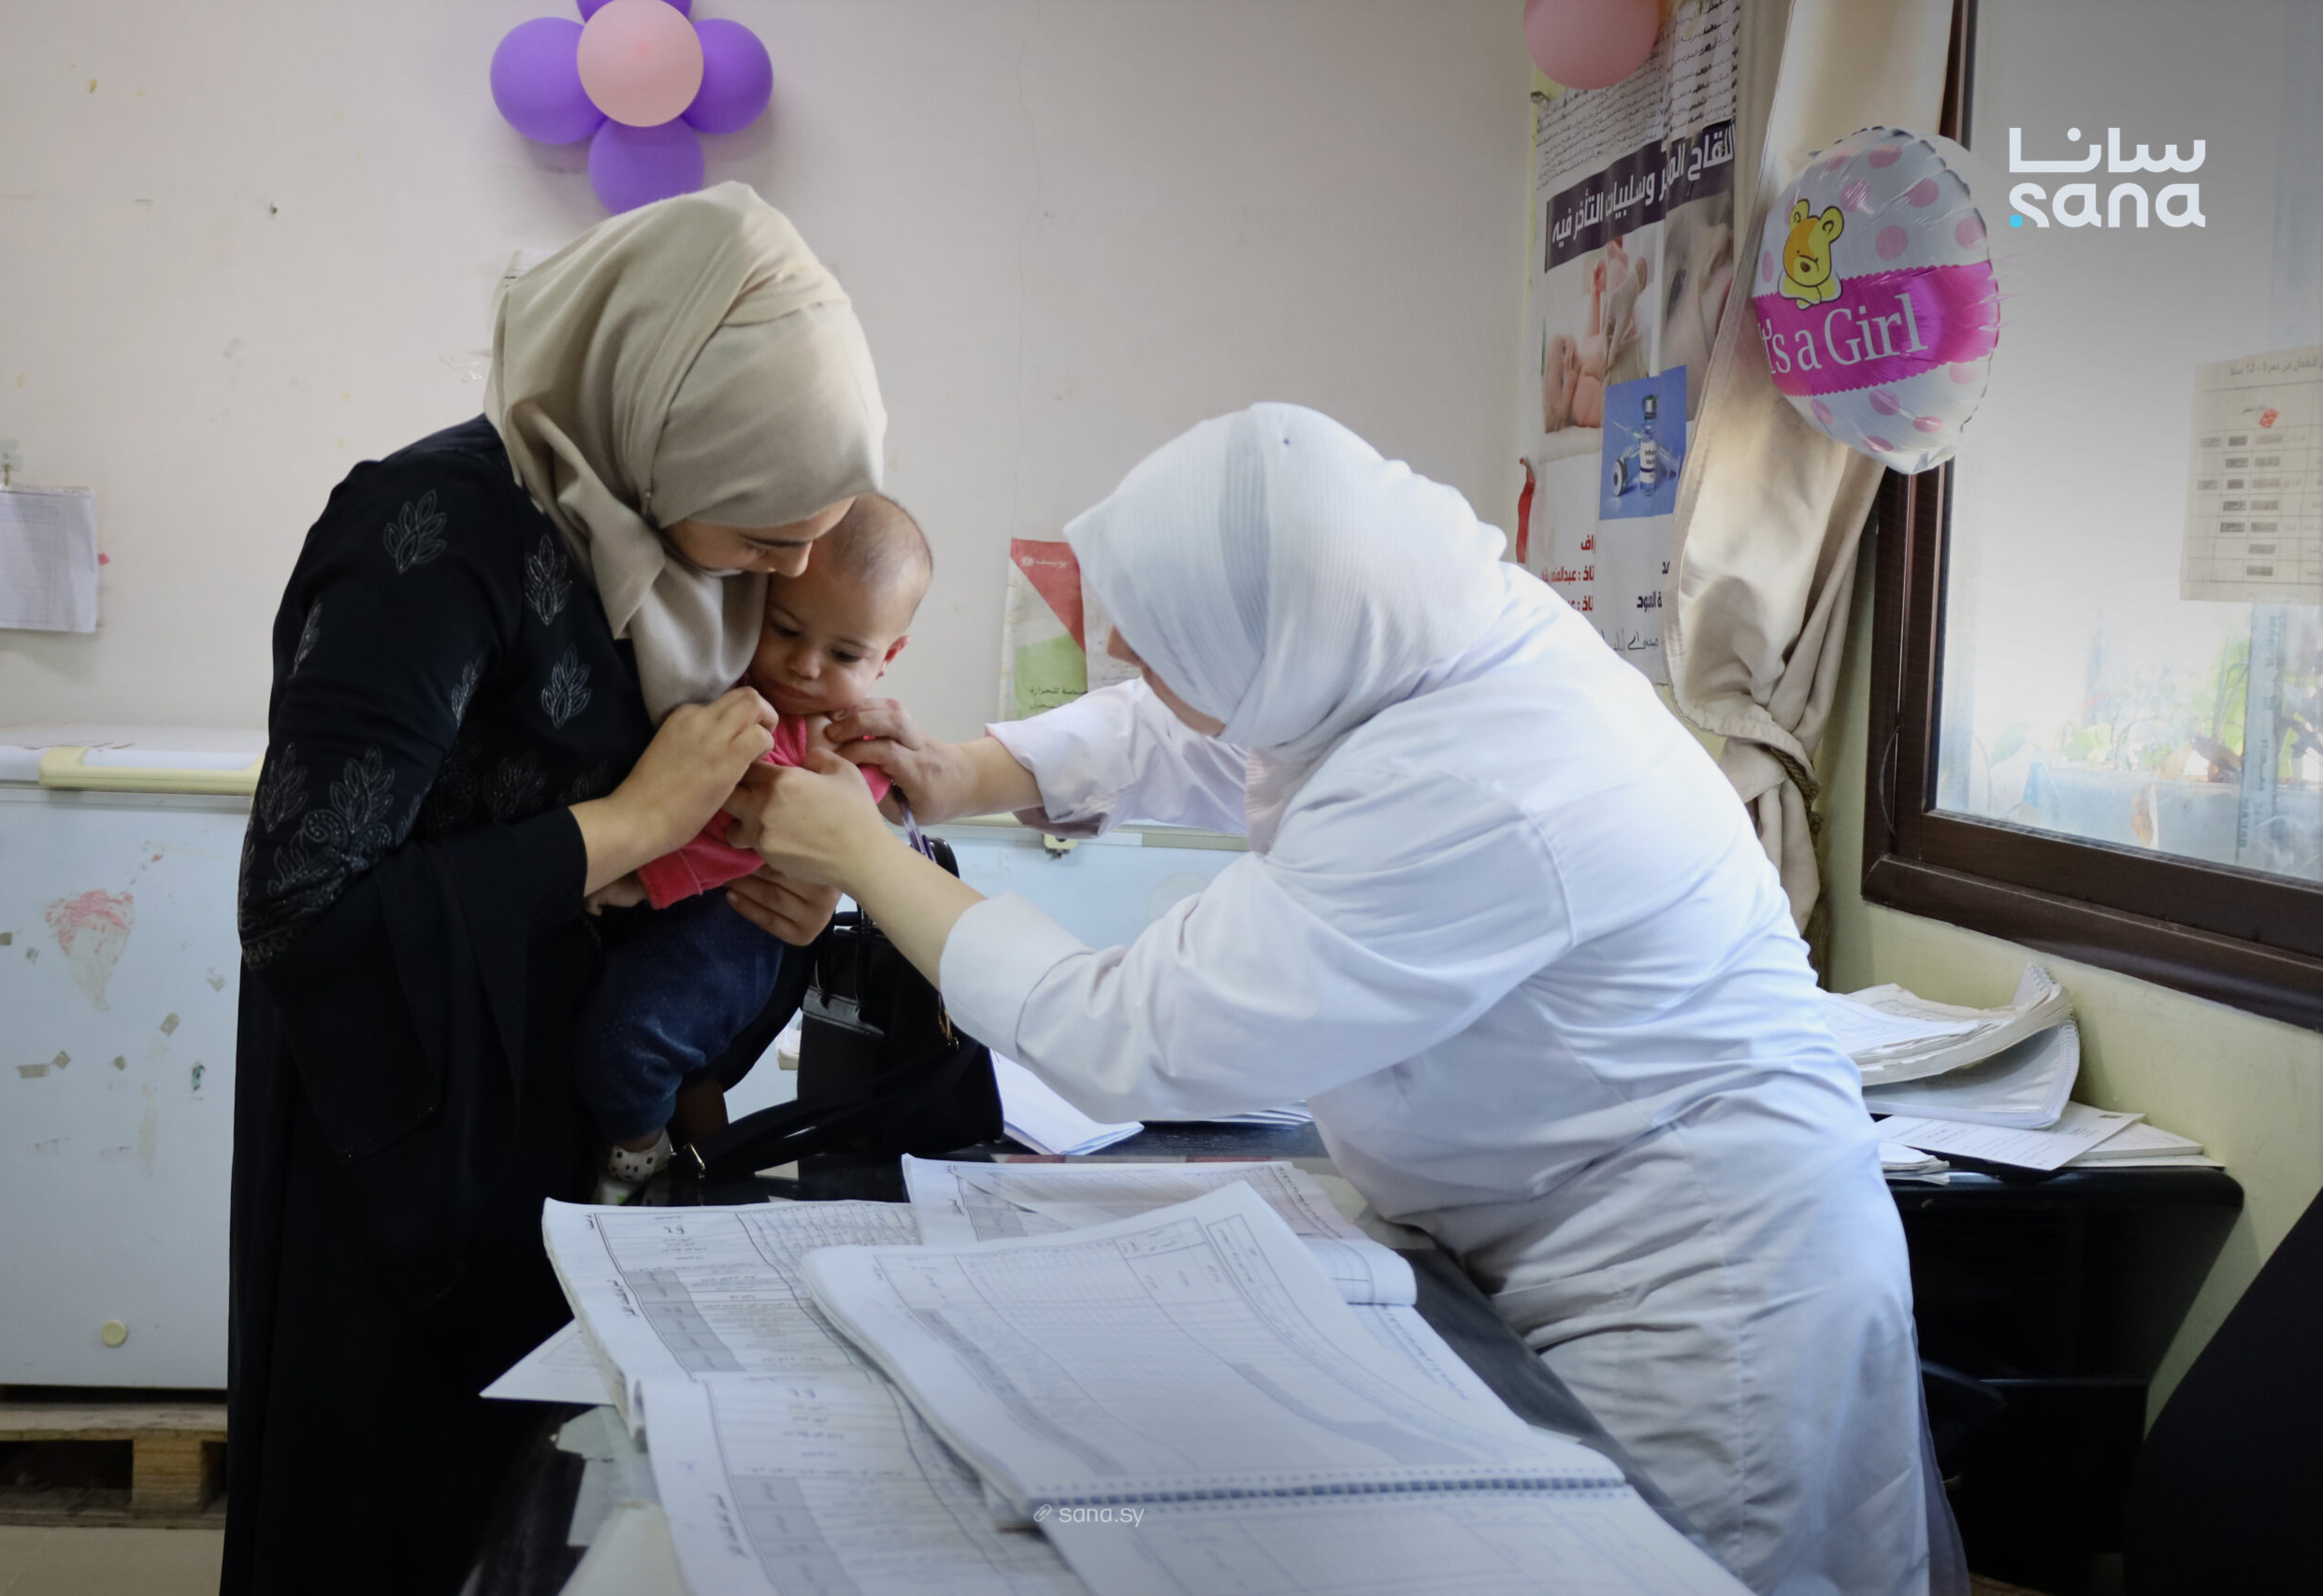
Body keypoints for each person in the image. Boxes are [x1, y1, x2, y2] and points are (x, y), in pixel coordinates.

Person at [726, 404, 1961, 1596]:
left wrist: (866, 855)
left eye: (1159, 648)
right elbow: (1206, 730)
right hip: (1543, 1233)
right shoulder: (1413, 631)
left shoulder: (1484, 778)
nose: (1139, 668)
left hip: (1700, 1300)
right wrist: (964, 772)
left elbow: (1130, 1032)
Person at [224, 183, 882, 1595]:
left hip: (554, 1106)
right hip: (401, 1115)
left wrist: (774, 899)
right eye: (768, 534)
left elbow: (675, 843)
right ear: (663, 423)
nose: (790, 572)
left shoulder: (665, 548)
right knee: (396, 1501)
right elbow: (298, 905)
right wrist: (631, 824)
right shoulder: (425, 537)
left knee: (546, 1506)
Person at [574, 494, 931, 1201]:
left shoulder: (845, 748)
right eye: (786, 628)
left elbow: (752, 840)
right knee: (691, 1072)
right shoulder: (724, 679)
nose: (804, 665)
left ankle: (636, 1161)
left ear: (889, 655)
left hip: (734, 921)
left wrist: (642, 879)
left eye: (844, 654)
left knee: (631, 1043)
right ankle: (716, 1174)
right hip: (685, 910)